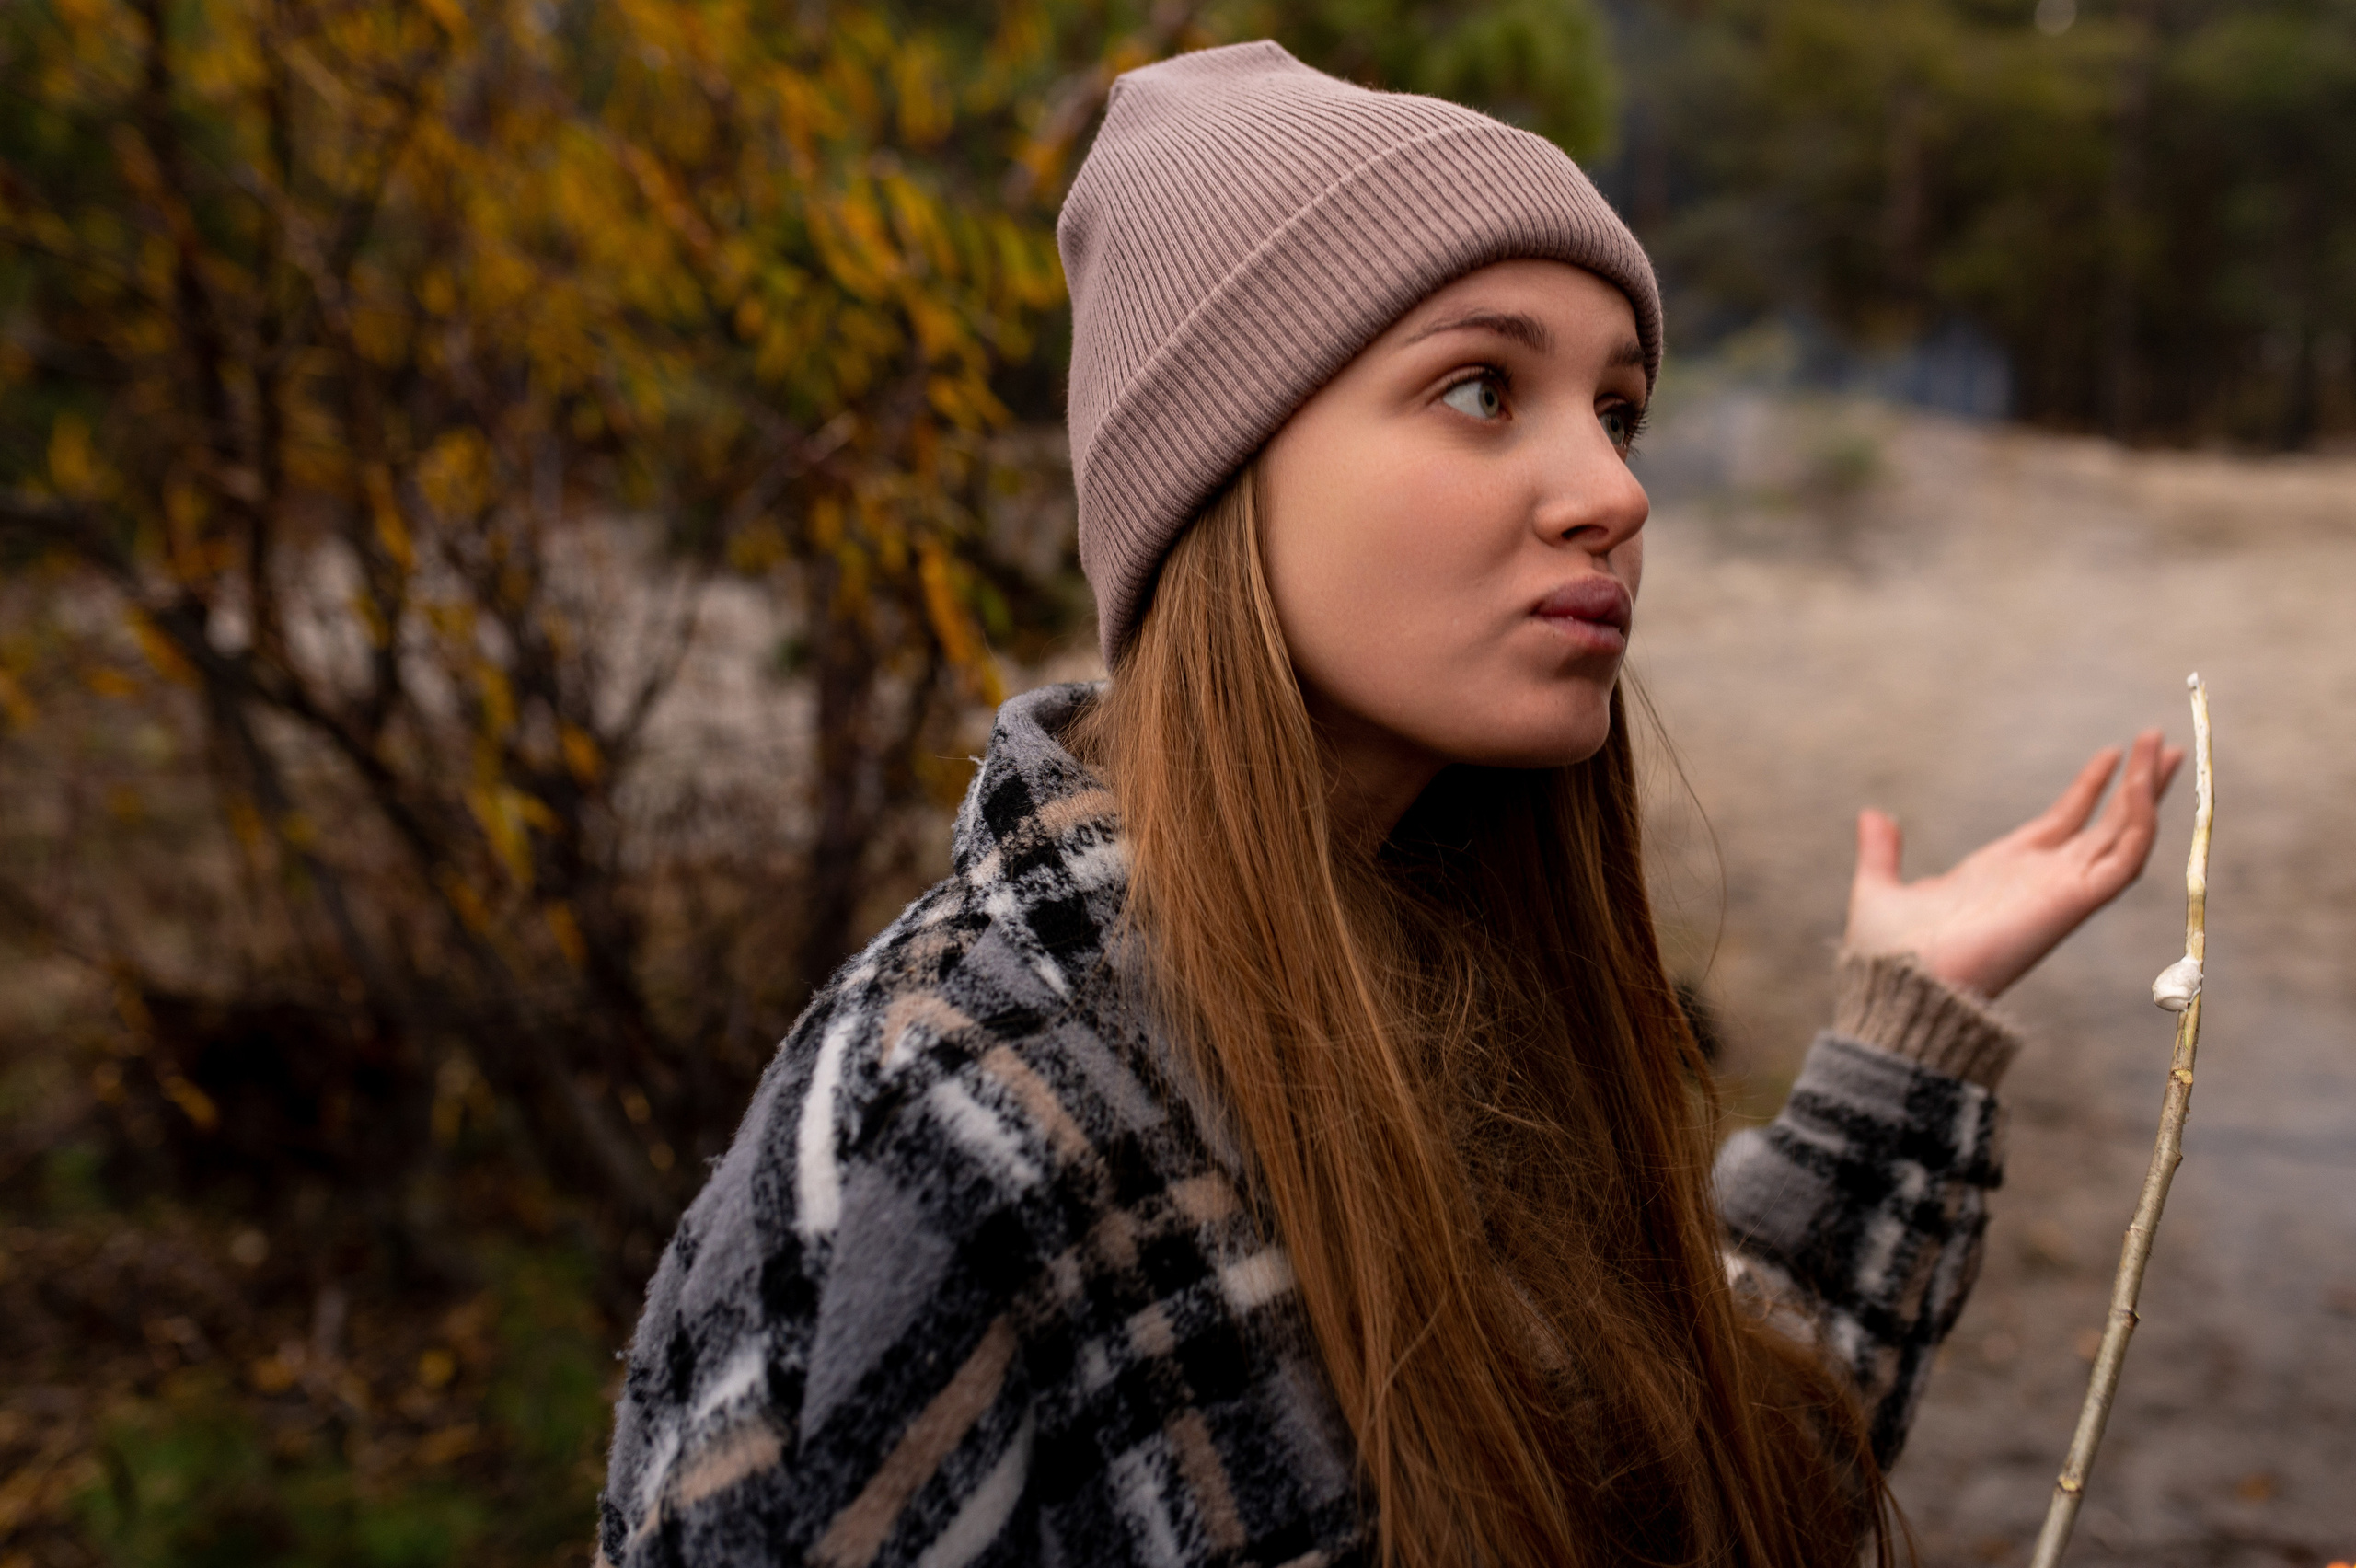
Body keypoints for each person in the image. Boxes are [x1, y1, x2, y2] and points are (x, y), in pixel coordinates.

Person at [596, 43, 2179, 1568]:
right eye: (1484, 389)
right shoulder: (931, 1136)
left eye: (1618, 412)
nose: (1616, 493)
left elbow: (1695, 1491)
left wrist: (1905, 1045)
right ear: (1216, 471)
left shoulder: (1459, 997)